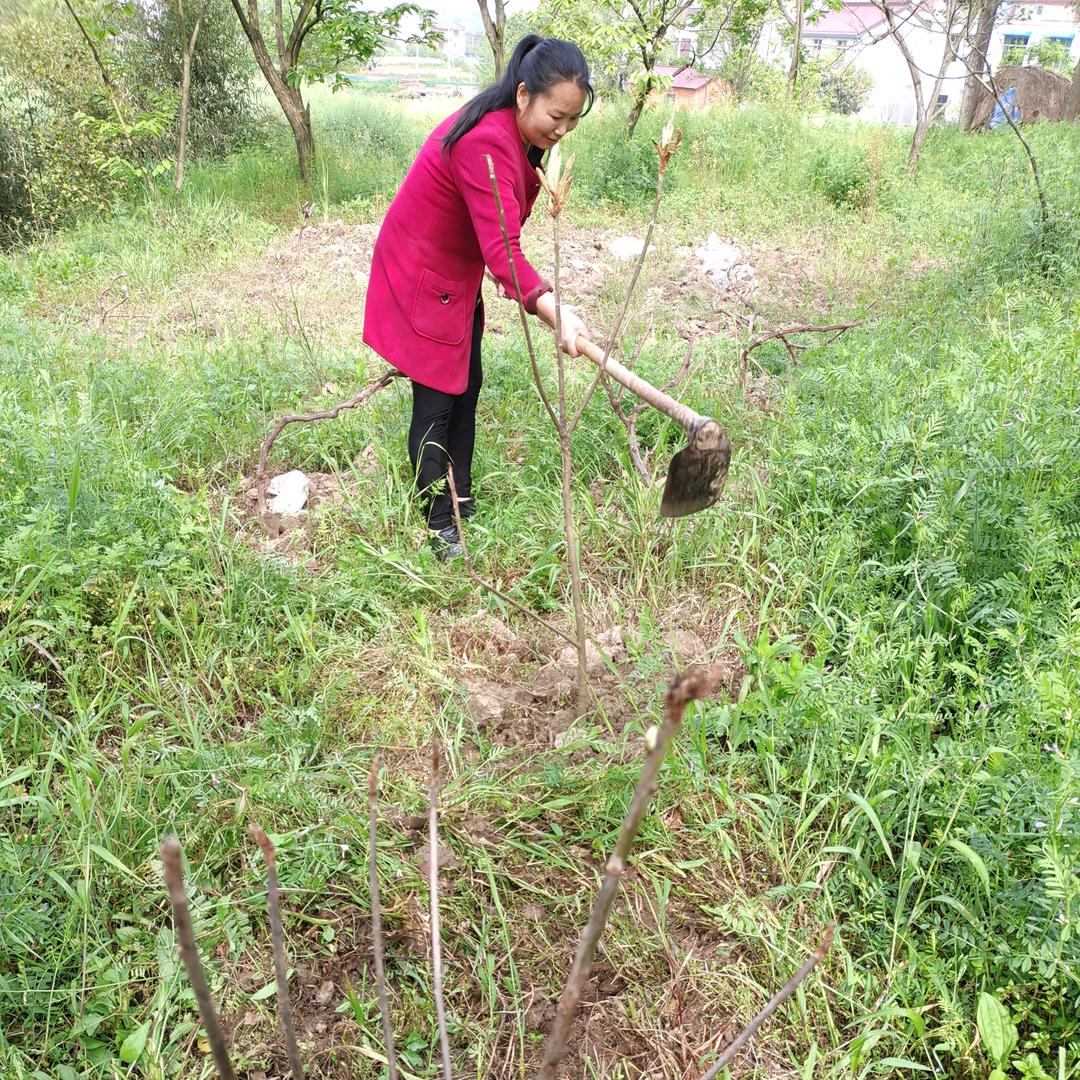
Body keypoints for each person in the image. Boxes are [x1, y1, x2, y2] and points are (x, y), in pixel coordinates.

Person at [363, 35, 593, 559]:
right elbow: (504, 252)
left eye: (573, 120)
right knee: (438, 397)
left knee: (469, 383)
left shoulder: (519, 137)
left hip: (456, 273)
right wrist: (555, 309)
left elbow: (500, 233)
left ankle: (459, 499)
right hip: (424, 270)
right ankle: (438, 523)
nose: (562, 130)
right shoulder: (487, 140)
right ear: (522, 96)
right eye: (556, 116)